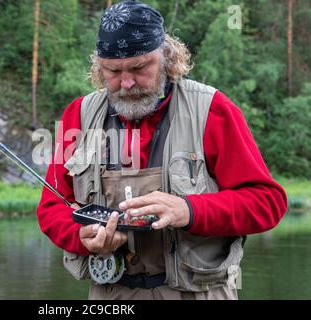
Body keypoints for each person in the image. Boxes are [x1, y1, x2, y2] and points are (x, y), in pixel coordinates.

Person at [37, 0, 287, 300]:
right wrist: (81, 237)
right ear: (98, 67)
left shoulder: (213, 110)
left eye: (139, 67)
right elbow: (53, 207)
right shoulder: (78, 114)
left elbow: (267, 203)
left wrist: (190, 210)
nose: (126, 83)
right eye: (112, 71)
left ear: (166, 57)